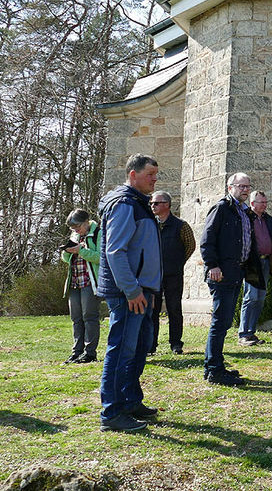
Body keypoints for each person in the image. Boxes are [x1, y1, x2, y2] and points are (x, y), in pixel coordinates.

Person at [96, 154, 162, 432]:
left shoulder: (138, 203)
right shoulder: (124, 204)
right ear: (133, 175)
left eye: (156, 174)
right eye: (150, 174)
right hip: (128, 293)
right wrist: (132, 290)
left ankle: (130, 401)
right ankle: (111, 414)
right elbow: (116, 251)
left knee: (135, 350)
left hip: (140, 290)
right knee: (121, 350)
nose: (155, 179)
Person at [200, 172, 262, 386]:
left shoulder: (245, 212)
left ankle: (215, 364)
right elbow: (207, 240)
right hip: (222, 273)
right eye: (240, 186)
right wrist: (212, 265)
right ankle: (214, 370)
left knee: (224, 322)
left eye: (247, 186)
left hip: (237, 273)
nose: (245, 189)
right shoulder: (222, 208)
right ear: (230, 188)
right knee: (220, 322)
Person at [149, 191, 196, 355]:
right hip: (153, 275)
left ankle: (176, 343)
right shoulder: (149, 224)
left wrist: (178, 262)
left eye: (156, 203)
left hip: (173, 274)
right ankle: (150, 345)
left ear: (167, 205)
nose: (153, 206)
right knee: (152, 310)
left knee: (174, 308)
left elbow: (190, 246)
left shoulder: (181, 225)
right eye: (152, 203)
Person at [239, 189, 272, 347]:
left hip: (266, 263)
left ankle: (251, 332)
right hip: (252, 263)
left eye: (265, 202)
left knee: (261, 297)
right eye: (261, 202)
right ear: (252, 203)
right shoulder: (246, 217)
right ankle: (243, 334)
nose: (264, 205)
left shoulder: (268, 219)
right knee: (251, 297)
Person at [60, 209, 101, 364]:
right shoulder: (75, 235)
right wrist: (67, 251)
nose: (75, 230)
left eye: (77, 227)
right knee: (76, 318)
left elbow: (101, 258)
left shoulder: (99, 233)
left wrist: (81, 251)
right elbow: (66, 259)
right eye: (73, 228)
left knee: (89, 317)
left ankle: (90, 353)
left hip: (90, 282)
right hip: (74, 281)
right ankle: (76, 352)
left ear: (86, 222)